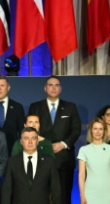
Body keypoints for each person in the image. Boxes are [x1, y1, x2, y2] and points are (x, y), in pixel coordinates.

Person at [28, 76, 81, 204]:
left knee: (63, 197)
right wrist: (45, 145)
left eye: (56, 85)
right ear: (45, 88)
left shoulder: (70, 107)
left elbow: (76, 130)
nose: (53, 87)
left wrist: (63, 144)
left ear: (60, 89)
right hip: (41, 159)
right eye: (50, 85)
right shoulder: (35, 107)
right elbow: (30, 131)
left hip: (64, 160)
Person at [1, 127, 61, 204]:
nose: (30, 142)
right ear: (21, 141)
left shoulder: (49, 162)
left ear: (37, 141)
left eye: (33, 138)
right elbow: (6, 191)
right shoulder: (12, 162)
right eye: (26, 138)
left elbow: (56, 191)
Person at [78, 118, 110, 204]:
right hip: (89, 194)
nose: (98, 132)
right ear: (91, 131)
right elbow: (81, 175)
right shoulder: (84, 150)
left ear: (104, 131)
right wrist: (82, 195)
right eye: (95, 129)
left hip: (108, 193)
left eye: (100, 129)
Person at [0, 76, 26, 155]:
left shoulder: (17, 107)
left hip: (12, 152)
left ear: (8, 88)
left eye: (2, 85)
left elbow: (22, 131)